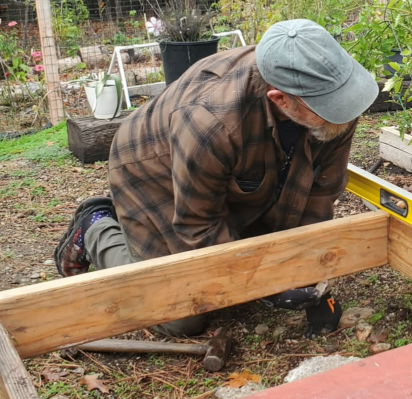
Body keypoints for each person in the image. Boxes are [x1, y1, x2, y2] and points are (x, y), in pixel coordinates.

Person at [54, 19, 379, 337]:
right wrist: (263, 283)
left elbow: (319, 195)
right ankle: (96, 227)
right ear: (280, 99)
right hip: (153, 173)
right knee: (181, 318)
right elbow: (198, 227)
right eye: (329, 107)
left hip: (221, 173)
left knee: (248, 254)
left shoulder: (332, 101)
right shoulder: (212, 122)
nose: (347, 113)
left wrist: (308, 272)